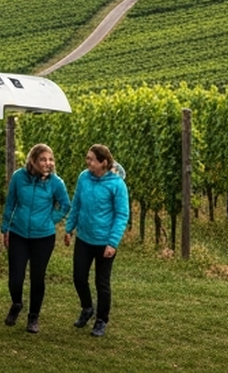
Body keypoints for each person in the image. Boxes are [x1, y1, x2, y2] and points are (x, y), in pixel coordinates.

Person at [0, 142, 69, 333]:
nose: (48, 163)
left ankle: (33, 317)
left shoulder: (56, 183)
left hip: (43, 237)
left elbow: (65, 205)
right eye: (43, 159)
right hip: (18, 234)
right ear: (33, 160)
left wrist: (50, 219)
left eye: (50, 159)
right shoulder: (18, 178)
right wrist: (5, 228)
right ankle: (16, 304)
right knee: (16, 277)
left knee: (37, 278)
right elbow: (10, 203)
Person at [66, 143, 129, 338]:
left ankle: (101, 320)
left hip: (105, 242)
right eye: (87, 158)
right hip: (84, 238)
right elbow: (76, 203)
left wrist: (113, 243)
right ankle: (87, 308)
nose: (88, 162)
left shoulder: (117, 184)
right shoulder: (83, 178)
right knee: (78, 278)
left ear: (103, 162)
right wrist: (69, 228)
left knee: (102, 282)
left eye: (91, 159)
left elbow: (121, 215)